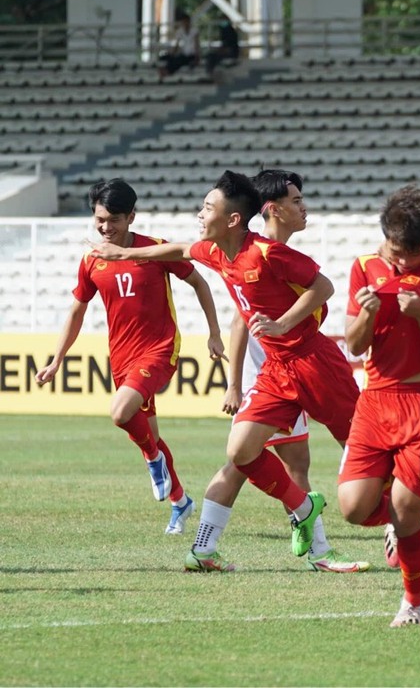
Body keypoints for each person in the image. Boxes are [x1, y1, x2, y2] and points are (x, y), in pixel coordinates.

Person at [90, 170, 359, 561]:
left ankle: (396, 524)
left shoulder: (267, 252)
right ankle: (303, 526)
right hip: (274, 371)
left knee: (353, 449)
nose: (200, 214)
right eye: (202, 206)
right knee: (243, 454)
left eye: (207, 207)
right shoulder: (218, 251)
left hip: (315, 363)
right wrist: (125, 254)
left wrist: (282, 323)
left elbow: (323, 288)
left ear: (234, 218)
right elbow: (181, 252)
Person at [185, 169, 368, 573]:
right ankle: (316, 549)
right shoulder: (258, 252)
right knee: (255, 461)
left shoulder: (272, 254)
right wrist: (236, 382)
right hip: (271, 370)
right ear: (274, 210)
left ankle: (207, 546)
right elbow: (239, 320)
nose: (304, 208)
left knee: (277, 461)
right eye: (297, 201)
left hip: (289, 368)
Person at [35, 178, 224, 534]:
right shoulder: (92, 261)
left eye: (114, 219)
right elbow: (76, 311)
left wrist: (214, 333)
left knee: (121, 413)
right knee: (149, 431)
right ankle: (180, 501)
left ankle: (153, 461)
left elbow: (199, 282)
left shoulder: (155, 249)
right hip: (120, 358)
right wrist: (57, 359)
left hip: (159, 350)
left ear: (132, 217)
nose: (106, 227)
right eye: (100, 219)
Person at [338, 184, 420, 627]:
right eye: (395, 250)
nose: (400, 261)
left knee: (407, 510)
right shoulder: (363, 268)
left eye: (411, 254)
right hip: (376, 400)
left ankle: (414, 606)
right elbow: (355, 347)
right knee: (354, 509)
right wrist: (369, 315)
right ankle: (399, 516)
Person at [157, 12, 200, 81]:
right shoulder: (180, 31)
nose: (185, 23)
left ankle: (167, 71)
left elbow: (197, 44)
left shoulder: (194, 31)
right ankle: (165, 70)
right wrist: (172, 54)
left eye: (186, 21)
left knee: (179, 60)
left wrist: (197, 56)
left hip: (191, 54)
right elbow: (177, 44)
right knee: (167, 57)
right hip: (184, 53)